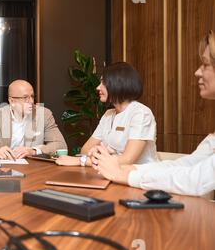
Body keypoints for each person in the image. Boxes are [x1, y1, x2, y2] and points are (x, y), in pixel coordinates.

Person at [91, 30, 215, 197]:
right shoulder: (108, 115)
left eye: (205, 64)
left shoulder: (141, 112)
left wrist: (126, 173)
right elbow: (188, 165)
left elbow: (195, 180)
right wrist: (127, 169)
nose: (197, 72)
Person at [56, 62, 158, 167]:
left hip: (139, 178)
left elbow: (127, 160)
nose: (97, 88)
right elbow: (85, 150)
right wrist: (98, 152)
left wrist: (81, 161)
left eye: (103, 83)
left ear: (118, 84)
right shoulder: (108, 114)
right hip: (113, 175)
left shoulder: (141, 113)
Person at [0, 79, 67, 159]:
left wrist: (33, 151)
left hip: (34, 168)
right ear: (12, 101)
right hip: (4, 168)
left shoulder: (44, 114)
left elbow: (60, 145)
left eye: (32, 96)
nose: (31, 101)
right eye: (25, 98)